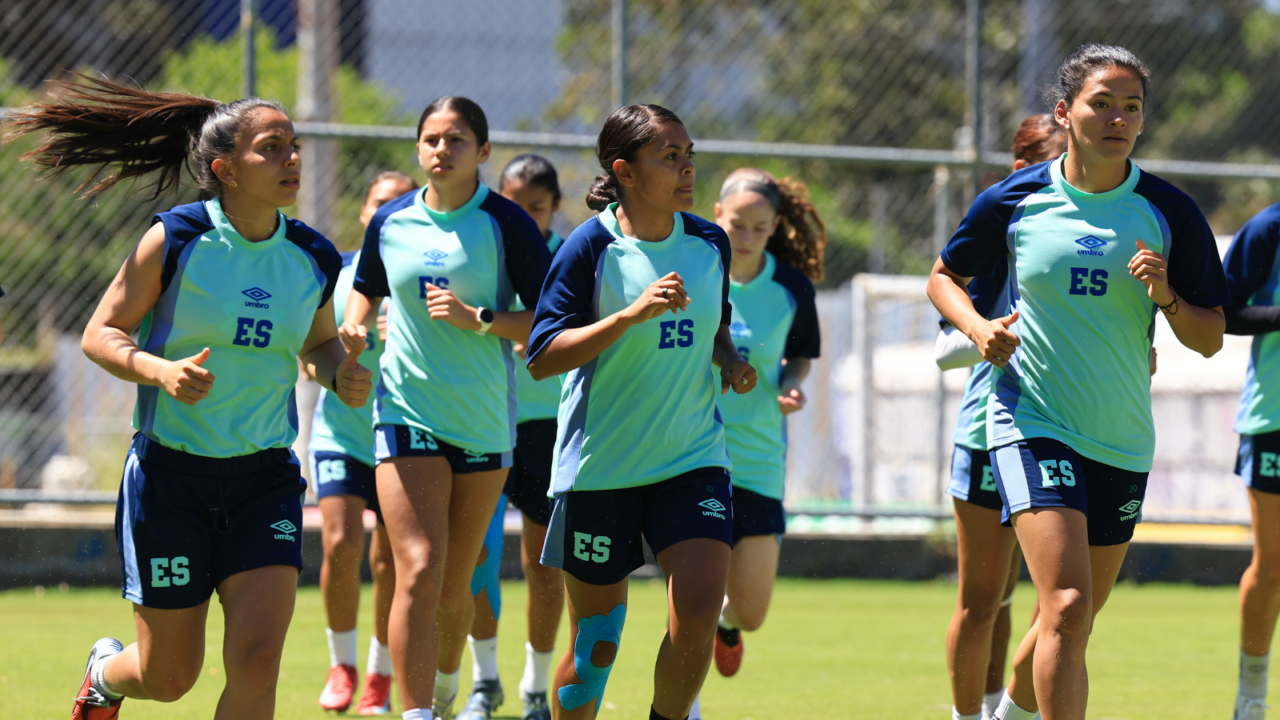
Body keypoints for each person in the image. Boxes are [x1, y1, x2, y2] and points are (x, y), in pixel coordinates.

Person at [5, 76, 372, 720]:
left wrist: (339, 372)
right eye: (273, 147)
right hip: (171, 477)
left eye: (294, 145)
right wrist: (158, 371)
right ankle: (105, 674)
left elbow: (316, 348)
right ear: (226, 169)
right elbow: (101, 333)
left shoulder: (313, 255)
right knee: (170, 675)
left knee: (258, 662)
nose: (292, 159)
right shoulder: (174, 239)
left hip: (265, 480)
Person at [926, 45, 1229, 720]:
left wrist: (1167, 298)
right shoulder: (1017, 197)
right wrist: (979, 331)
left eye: (1132, 107)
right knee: (1062, 601)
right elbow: (943, 277)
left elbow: (1210, 336)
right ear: (1065, 113)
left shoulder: (1168, 211)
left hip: (1121, 437)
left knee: (1075, 617)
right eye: (1102, 103)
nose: (1118, 118)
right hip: (1031, 422)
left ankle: (1010, 713)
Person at [526, 103, 758, 720]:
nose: (686, 169)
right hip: (603, 469)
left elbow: (715, 325)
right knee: (597, 645)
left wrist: (729, 360)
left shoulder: (710, 242)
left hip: (692, 459)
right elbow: (543, 356)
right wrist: (629, 317)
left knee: (700, 614)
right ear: (625, 171)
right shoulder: (589, 248)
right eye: (669, 157)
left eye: (689, 156)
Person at [339, 96, 551, 720]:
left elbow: (547, 319)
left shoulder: (507, 224)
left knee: (456, 583)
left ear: (483, 152)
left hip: (484, 422)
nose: (441, 150)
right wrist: (354, 333)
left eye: (456, 139)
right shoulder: (392, 221)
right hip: (405, 410)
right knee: (419, 565)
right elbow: (364, 293)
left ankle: (449, 685)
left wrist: (479, 319)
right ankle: (417, 713)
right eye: (431, 138)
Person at [936, 114, 1066, 720]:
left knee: (1062, 606)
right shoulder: (996, 245)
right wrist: (987, 333)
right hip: (992, 434)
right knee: (983, 601)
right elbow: (944, 347)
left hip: (1073, 434)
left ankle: (1007, 711)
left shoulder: (1105, 229)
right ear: (1023, 170)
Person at [701, 169, 824, 700]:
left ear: (774, 226)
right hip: (693, 455)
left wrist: (791, 386)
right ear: (716, 215)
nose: (745, 237)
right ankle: (686, 706)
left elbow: (799, 359)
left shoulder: (791, 288)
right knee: (691, 601)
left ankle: (726, 626)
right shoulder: (697, 273)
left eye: (758, 227)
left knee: (749, 613)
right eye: (736, 225)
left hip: (759, 463)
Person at [456, 154, 569, 720]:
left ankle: (535, 688)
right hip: (485, 416)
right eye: (515, 205)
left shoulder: (573, 255)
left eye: (538, 207)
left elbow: (568, 328)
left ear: (556, 208)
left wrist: (522, 331)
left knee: (544, 565)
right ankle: (484, 680)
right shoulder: (480, 248)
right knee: (476, 556)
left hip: (550, 428)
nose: (525, 217)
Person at [314, 170, 419, 715]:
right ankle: (342, 663)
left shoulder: (421, 274)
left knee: (388, 561)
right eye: (380, 203)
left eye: (400, 203)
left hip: (398, 434)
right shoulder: (340, 275)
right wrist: (339, 361)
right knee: (339, 542)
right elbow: (311, 352)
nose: (389, 212)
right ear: (365, 214)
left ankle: (379, 672)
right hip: (339, 432)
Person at [1223, 201, 1280, 720]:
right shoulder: (1269, 228)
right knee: (1274, 566)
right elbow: (1221, 310)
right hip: (1274, 419)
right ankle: (1252, 698)